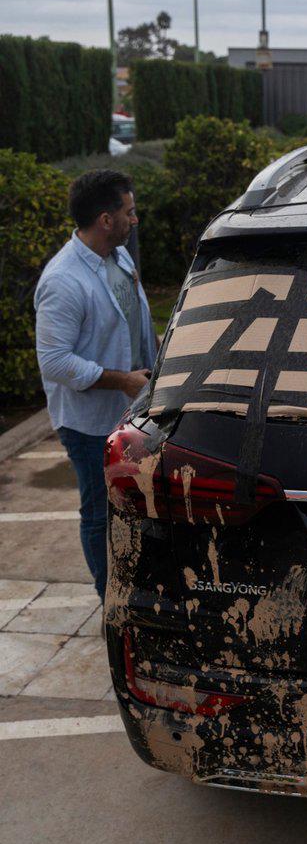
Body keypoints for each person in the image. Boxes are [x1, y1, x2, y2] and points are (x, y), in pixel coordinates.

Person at [34, 171, 157, 600]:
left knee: (135, 509)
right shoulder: (64, 281)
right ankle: (112, 603)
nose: (135, 220)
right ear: (106, 219)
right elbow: (53, 361)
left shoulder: (118, 258)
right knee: (99, 513)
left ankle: (134, 586)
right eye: (129, 212)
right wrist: (122, 380)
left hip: (131, 412)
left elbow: (134, 321)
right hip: (88, 426)